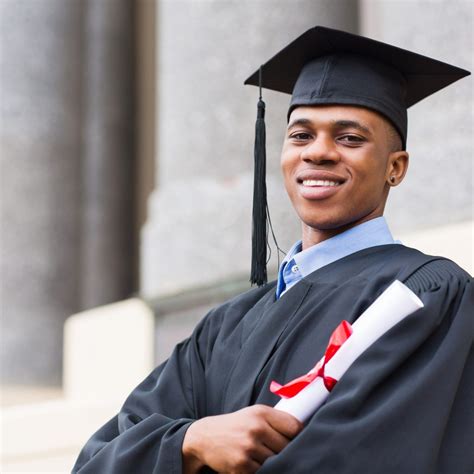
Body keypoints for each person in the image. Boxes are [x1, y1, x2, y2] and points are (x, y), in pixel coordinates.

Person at [72, 26, 472, 474]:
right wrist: (192, 441)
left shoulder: (426, 297)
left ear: (395, 168)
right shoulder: (224, 328)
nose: (318, 153)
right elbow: (96, 460)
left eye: (350, 138)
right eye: (301, 135)